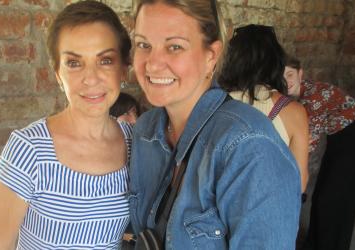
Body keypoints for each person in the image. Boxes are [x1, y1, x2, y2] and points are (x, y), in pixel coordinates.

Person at [128, 0, 301, 249]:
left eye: (174, 46)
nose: (153, 64)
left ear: (212, 56)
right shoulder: (146, 129)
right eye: (144, 45)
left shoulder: (249, 146)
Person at [0, 1, 133, 249]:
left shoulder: (135, 142)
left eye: (105, 60)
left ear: (123, 69)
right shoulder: (29, 150)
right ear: (57, 74)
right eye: (74, 63)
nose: (91, 78)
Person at [219, 24, 309, 192]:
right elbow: (299, 182)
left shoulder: (212, 101)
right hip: (266, 209)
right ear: (276, 63)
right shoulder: (293, 111)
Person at [284, 55, 355, 250]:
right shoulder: (296, 98)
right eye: (281, 76)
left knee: (334, 197)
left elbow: (307, 145)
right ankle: (316, 242)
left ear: (300, 74)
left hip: (353, 136)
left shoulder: (312, 99)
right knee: (323, 194)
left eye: (290, 74)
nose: (286, 81)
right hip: (338, 138)